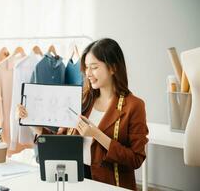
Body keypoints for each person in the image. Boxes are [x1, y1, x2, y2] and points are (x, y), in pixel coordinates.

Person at [16, 38, 148, 190]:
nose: (88, 73)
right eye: (86, 67)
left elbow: (135, 159)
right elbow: (62, 142)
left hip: (110, 185)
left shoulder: (134, 106)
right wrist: (32, 123)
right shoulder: (83, 99)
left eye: (94, 67)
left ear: (113, 68)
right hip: (77, 182)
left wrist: (97, 134)